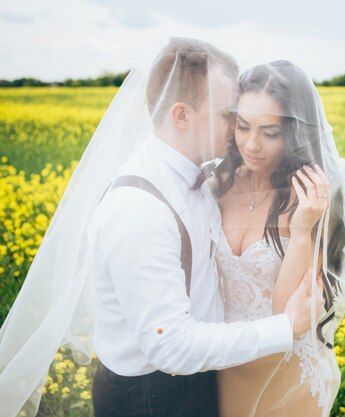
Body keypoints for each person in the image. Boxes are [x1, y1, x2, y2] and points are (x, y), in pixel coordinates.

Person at [0, 38, 323, 417]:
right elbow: (169, 345)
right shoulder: (139, 211)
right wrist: (284, 329)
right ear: (182, 115)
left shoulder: (204, 178)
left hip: (207, 379)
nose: (236, 129)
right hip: (155, 398)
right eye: (227, 115)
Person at [209, 60, 345, 417]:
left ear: (294, 133)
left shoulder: (309, 197)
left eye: (270, 132)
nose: (251, 144)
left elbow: (285, 314)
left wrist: (301, 229)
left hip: (286, 376)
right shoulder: (219, 183)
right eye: (243, 126)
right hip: (226, 365)